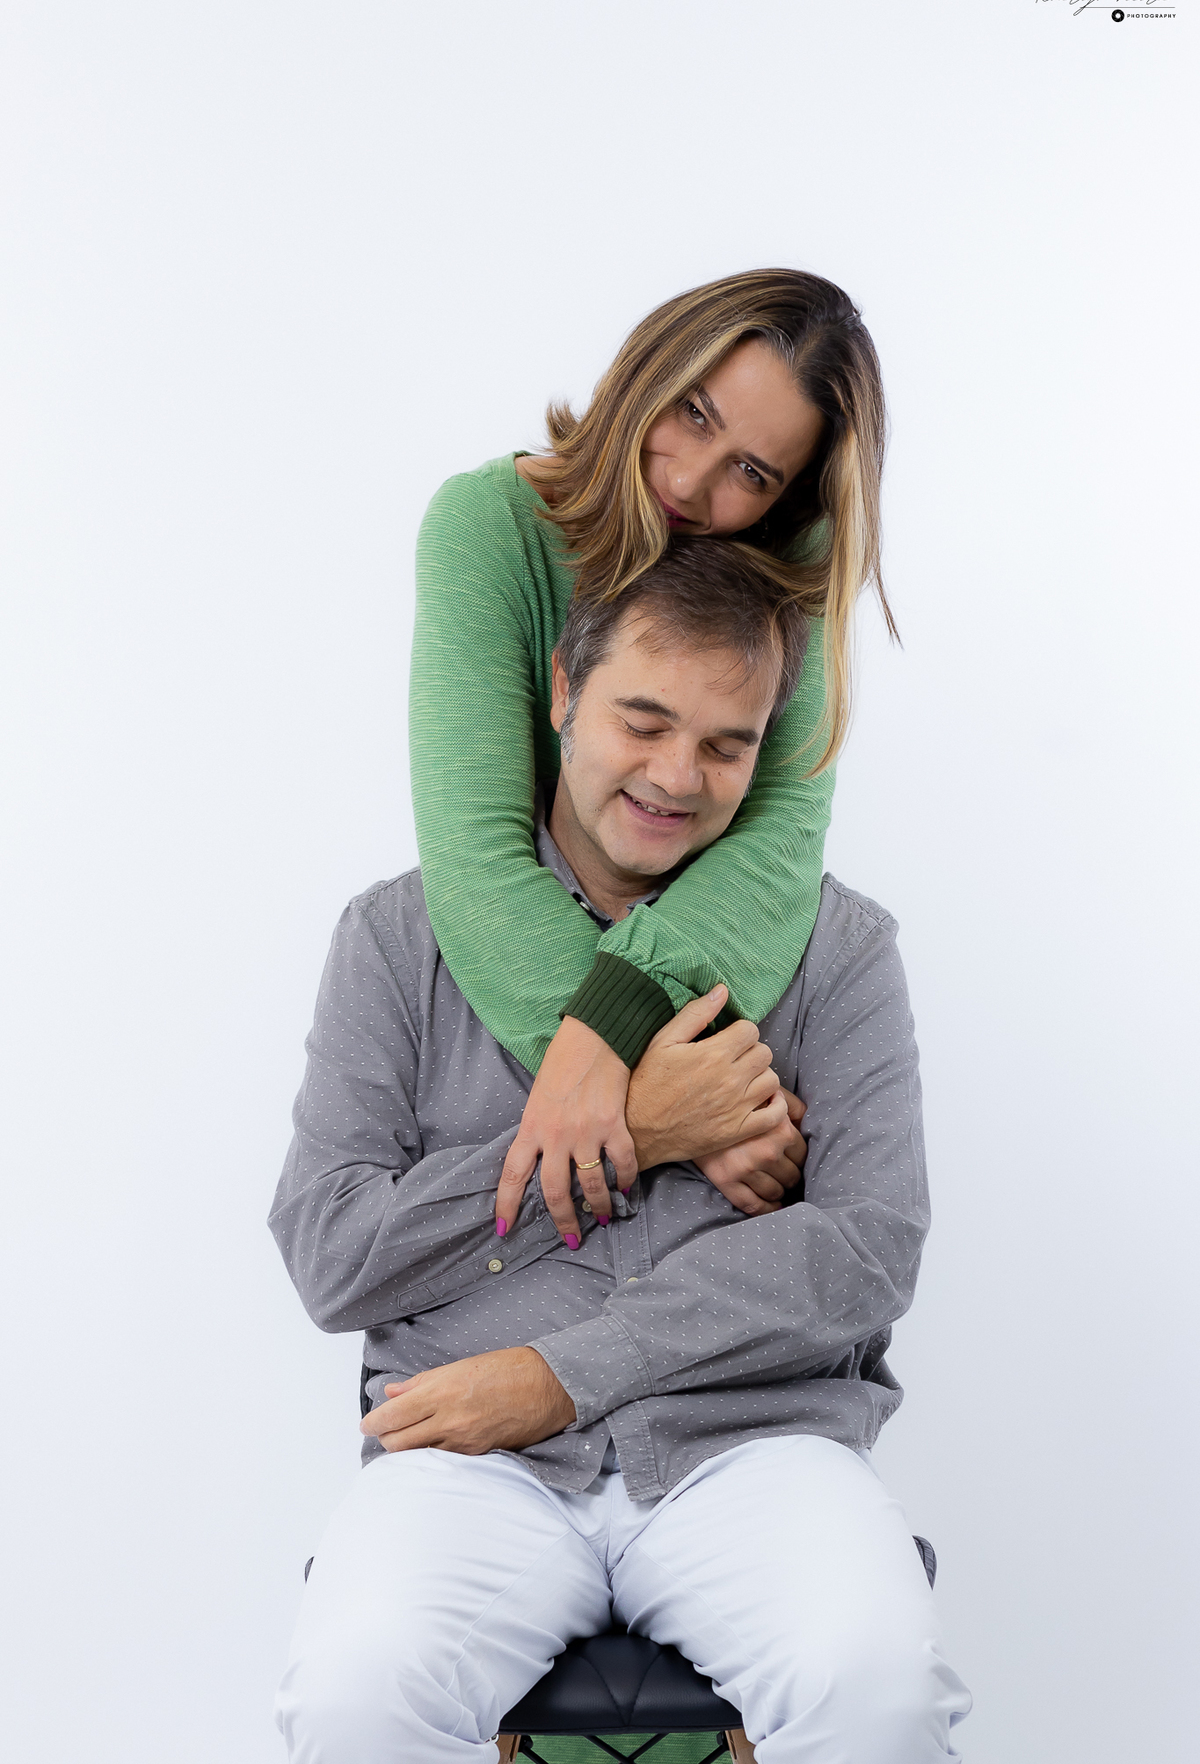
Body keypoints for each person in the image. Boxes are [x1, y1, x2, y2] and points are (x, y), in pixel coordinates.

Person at [270, 539, 971, 1761]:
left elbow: (867, 1249)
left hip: (754, 1445)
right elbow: (333, 1254)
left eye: (726, 746)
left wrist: (559, 1372)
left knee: (879, 1688)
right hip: (467, 1459)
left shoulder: (842, 948)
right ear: (561, 692)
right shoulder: (394, 938)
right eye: (642, 723)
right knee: (354, 1693)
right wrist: (642, 1133)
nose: (676, 778)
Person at [410, 268, 893, 1244]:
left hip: (741, 974)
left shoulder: (791, 572)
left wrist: (635, 1055)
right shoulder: (484, 526)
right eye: (693, 414)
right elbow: (475, 851)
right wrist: (684, 1101)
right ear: (651, 369)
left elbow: (778, 842)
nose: (687, 482)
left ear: (790, 497)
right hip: (506, 990)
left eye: (752, 473)